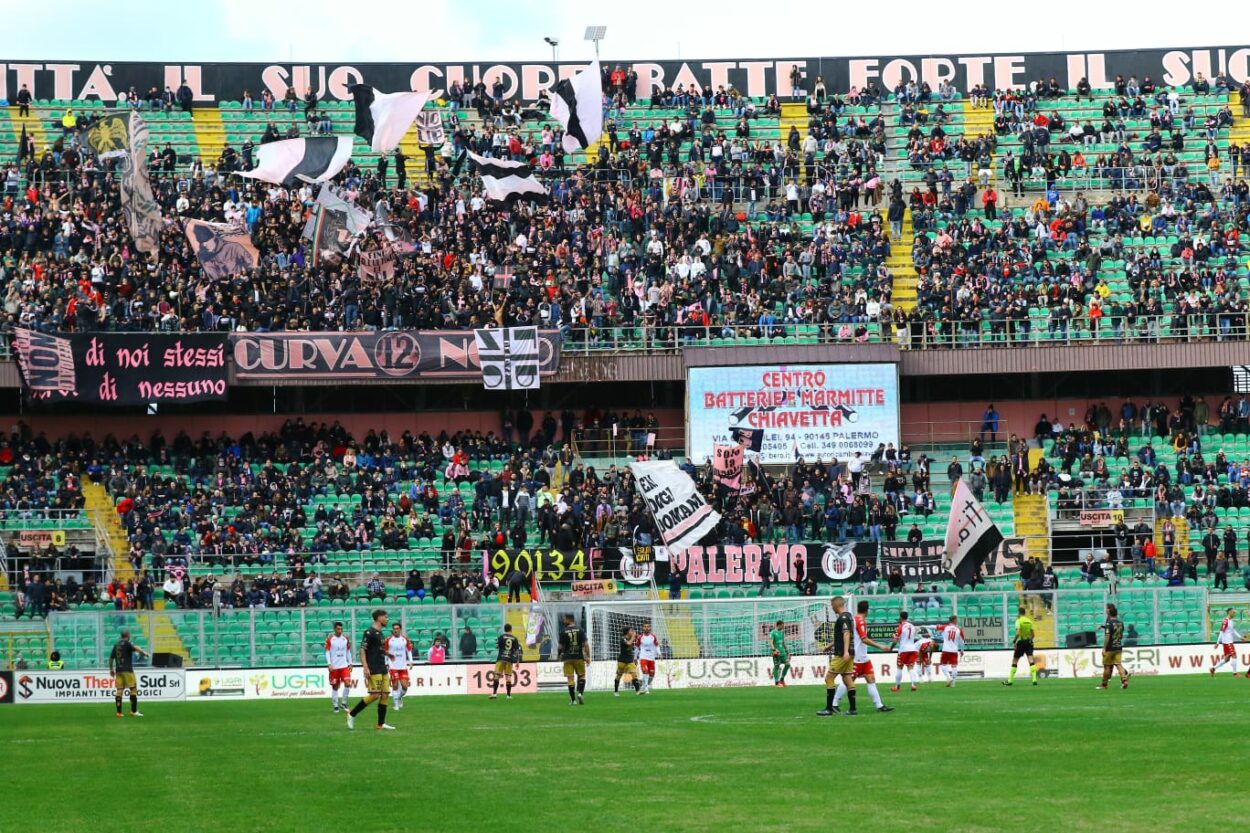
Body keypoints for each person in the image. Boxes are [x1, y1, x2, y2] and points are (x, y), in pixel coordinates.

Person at [346, 609, 396, 730]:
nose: (387, 619)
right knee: (375, 695)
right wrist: (365, 667)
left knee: (385, 694)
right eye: (385, 617)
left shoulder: (381, 633)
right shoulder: (369, 632)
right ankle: (352, 713)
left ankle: (381, 723)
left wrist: (387, 653)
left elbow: (378, 649)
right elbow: (362, 650)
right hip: (373, 666)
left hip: (382, 666)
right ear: (379, 618)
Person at [847, 600, 894, 712]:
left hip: (863, 657)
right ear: (867, 611)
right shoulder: (860, 621)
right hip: (857, 657)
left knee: (871, 679)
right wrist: (881, 646)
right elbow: (864, 639)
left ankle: (879, 705)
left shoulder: (854, 619)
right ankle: (834, 703)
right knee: (848, 680)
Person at [817, 596, 855, 716]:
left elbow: (846, 633)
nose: (832, 608)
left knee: (829, 678)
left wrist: (845, 652)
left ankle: (829, 708)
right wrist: (830, 645)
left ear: (837, 605)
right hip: (850, 651)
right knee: (847, 679)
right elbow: (842, 635)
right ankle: (853, 709)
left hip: (842, 654)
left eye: (832, 605)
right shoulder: (848, 616)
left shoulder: (843, 618)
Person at [108, 629, 149, 718]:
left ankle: (119, 713)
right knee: (133, 689)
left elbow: (111, 659)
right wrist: (144, 652)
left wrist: (111, 669)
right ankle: (133, 711)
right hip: (127, 670)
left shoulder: (116, 645)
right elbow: (136, 648)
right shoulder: (127, 643)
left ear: (121, 636)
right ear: (128, 636)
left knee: (119, 690)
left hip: (118, 670)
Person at [1095, 603, 1130, 690]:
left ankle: (1104, 684)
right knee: (1118, 665)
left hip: (1110, 648)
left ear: (1109, 612)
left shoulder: (1109, 623)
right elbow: (1121, 635)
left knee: (1107, 666)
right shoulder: (1120, 623)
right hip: (1118, 646)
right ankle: (1124, 680)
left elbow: (1107, 636)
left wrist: (1104, 647)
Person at [1003, 607, 1039, 686]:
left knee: (1015, 660)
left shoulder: (1018, 621)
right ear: (1024, 613)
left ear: (1019, 613)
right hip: (1028, 642)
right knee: (1031, 659)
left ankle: (1010, 681)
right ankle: (1034, 679)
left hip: (1021, 642)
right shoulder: (1029, 621)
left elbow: (1018, 633)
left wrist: (1014, 640)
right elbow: (1033, 634)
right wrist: (1030, 639)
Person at [559, 612, 590, 705]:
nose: (564, 621)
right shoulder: (580, 630)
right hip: (578, 657)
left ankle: (573, 700)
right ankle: (580, 693)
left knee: (570, 678)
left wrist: (559, 654)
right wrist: (587, 656)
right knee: (582, 676)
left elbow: (560, 646)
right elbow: (586, 644)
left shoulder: (563, 631)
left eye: (565, 619)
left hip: (567, 658)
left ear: (569, 620)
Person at [324, 621, 353, 713]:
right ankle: (335, 705)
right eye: (338, 629)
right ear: (334, 629)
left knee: (348, 684)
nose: (340, 631)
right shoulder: (330, 639)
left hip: (344, 666)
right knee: (335, 687)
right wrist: (329, 664)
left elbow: (348, 651)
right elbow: (327, 652)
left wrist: (350, 663)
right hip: (334, 667)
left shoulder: (345, 639)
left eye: (341, 629)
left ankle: (344, 703)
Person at [386, 623, 414, 710]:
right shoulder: (389, 640)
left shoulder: (404, 639)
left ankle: (399, 697)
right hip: (393, 666)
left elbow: (409, 650)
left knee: (405, 687)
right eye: (394, 628)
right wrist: (385, 663)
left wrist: (411, 661)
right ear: (392, 630)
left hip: (403, 666)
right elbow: (385, 652)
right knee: (395, 685)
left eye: (397, 628)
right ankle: (396, 705)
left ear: (400, 629)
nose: (395, 630)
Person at [890, 611, 919, 692]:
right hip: (912, 649)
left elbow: (895, 640)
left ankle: (897, 686)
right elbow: (907, 638)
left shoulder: (900, 627)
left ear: (901, 617)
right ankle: (913, 685)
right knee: (911, 667)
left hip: (903, 650)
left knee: (900, 667)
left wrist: (891, 647)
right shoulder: (912, 626)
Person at [1209, 608, 1243, 677]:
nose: (1234, 613)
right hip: (1227, 642)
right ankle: (1235, 673)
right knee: (1234, 655)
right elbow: (1221, 631)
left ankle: (1213, 668)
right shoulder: (1225, 621)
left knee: (1227, 659)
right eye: (1233, 612)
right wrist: (1217, 643)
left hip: (1229, 642)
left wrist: (1240, 637)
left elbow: (1233, 630)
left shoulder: (1231, 621)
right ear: (1229, 612)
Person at [491, 623, 522, 700]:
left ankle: (494, 694)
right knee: (508, 677)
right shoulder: (515, 638)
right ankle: (508, 695)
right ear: (511, 629)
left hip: (500, 658)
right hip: (509, 659)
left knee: (497, 676)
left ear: (504, 629)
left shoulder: (501, 637)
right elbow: (517, 651)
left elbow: (496, 646)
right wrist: (517, 661)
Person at [613, 626, 643, 696]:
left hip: (630, 660)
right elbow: (629, 643)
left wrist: (635, 658)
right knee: (618, 676)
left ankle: (638, 691)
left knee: (634, 675)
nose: (632, 632)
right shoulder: (622, 639)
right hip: (622, 661)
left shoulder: (630, 638)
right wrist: (633, 636)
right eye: (631, 631)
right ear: (627, 632)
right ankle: (616, 691)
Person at [938, 615, 965, 687]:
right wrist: (962, 650)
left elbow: (935, 627)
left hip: (946, 649)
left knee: (942, 665)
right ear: (954, 620)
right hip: (954, 650)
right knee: (954, 666)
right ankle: (953, 684)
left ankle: (949, 678)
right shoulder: (959, 629)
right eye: (956, 619)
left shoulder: (945, 627)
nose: (957, 621)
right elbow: (962, 641)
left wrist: (924, 626)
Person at [636, 622, 660, 693]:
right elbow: (637, 647)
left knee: (652, 675)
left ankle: (644, 685)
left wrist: (659, 653)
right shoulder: (640, 637)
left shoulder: (653, 636)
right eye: (645, 626)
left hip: (651, 658)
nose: (646, 628)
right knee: (645, 672)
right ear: (643, 628)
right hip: (643, 657)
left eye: (648, 627)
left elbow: (657, 645)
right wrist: (635, 657)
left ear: (650, 628)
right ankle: (646, 689)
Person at [770, 619, 791, 687]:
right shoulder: (773, 632)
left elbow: (783, 642)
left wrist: (787, 650)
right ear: (778, 625)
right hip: (776, 652)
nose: (783, 627)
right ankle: (777, 683)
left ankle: (782, 679)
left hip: (783, 652)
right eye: (782, 626)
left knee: (787, 664)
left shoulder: (782, 632)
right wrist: (774, 649)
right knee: (777, 666)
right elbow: (771, 642)